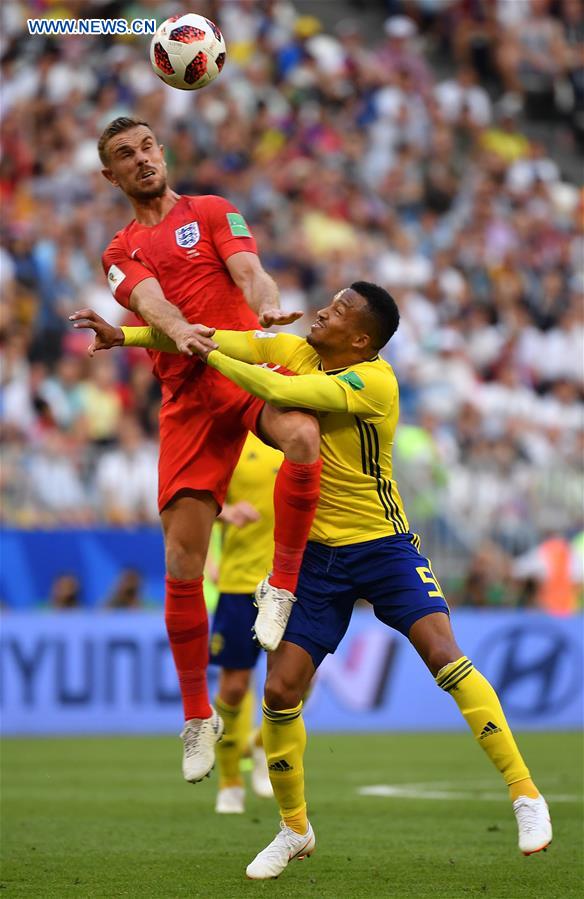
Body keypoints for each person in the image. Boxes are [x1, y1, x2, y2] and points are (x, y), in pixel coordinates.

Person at [73, 282, 552, 877]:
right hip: (318, 560)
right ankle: (294, 830)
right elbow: (223, 338)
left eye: (342, 309)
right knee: (278, 692)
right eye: (332, 300)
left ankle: (525, 794)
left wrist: (204, 355)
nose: (325, 309)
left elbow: (274, 388)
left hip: (383, 546)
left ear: (360, 338)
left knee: (443, 654)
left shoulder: (373, 381)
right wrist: (129, 336)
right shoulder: (300, 347)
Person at [74, 117, 322, 785]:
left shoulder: (213, 210)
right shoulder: (120, 250)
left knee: (303, 436)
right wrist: (180, 332)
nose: (142, 158)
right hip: (187, 394)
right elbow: (151, 303)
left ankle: (284, 584)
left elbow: (251, 271)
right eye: (126, 154)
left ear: (163, 150)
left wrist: (267, 308)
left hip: (241, 365)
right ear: (111, 176)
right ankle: (195, 715)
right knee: (183, 560)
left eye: (148, 145)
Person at [210, 431, 283, 814]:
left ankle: (258, 743)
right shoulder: (233, 439)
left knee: (300, 681)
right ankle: (229, 780)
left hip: (289, 582)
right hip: (240, 583)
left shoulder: (296, 432)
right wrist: (226, 512)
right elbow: (201, 499)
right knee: (235, 688)